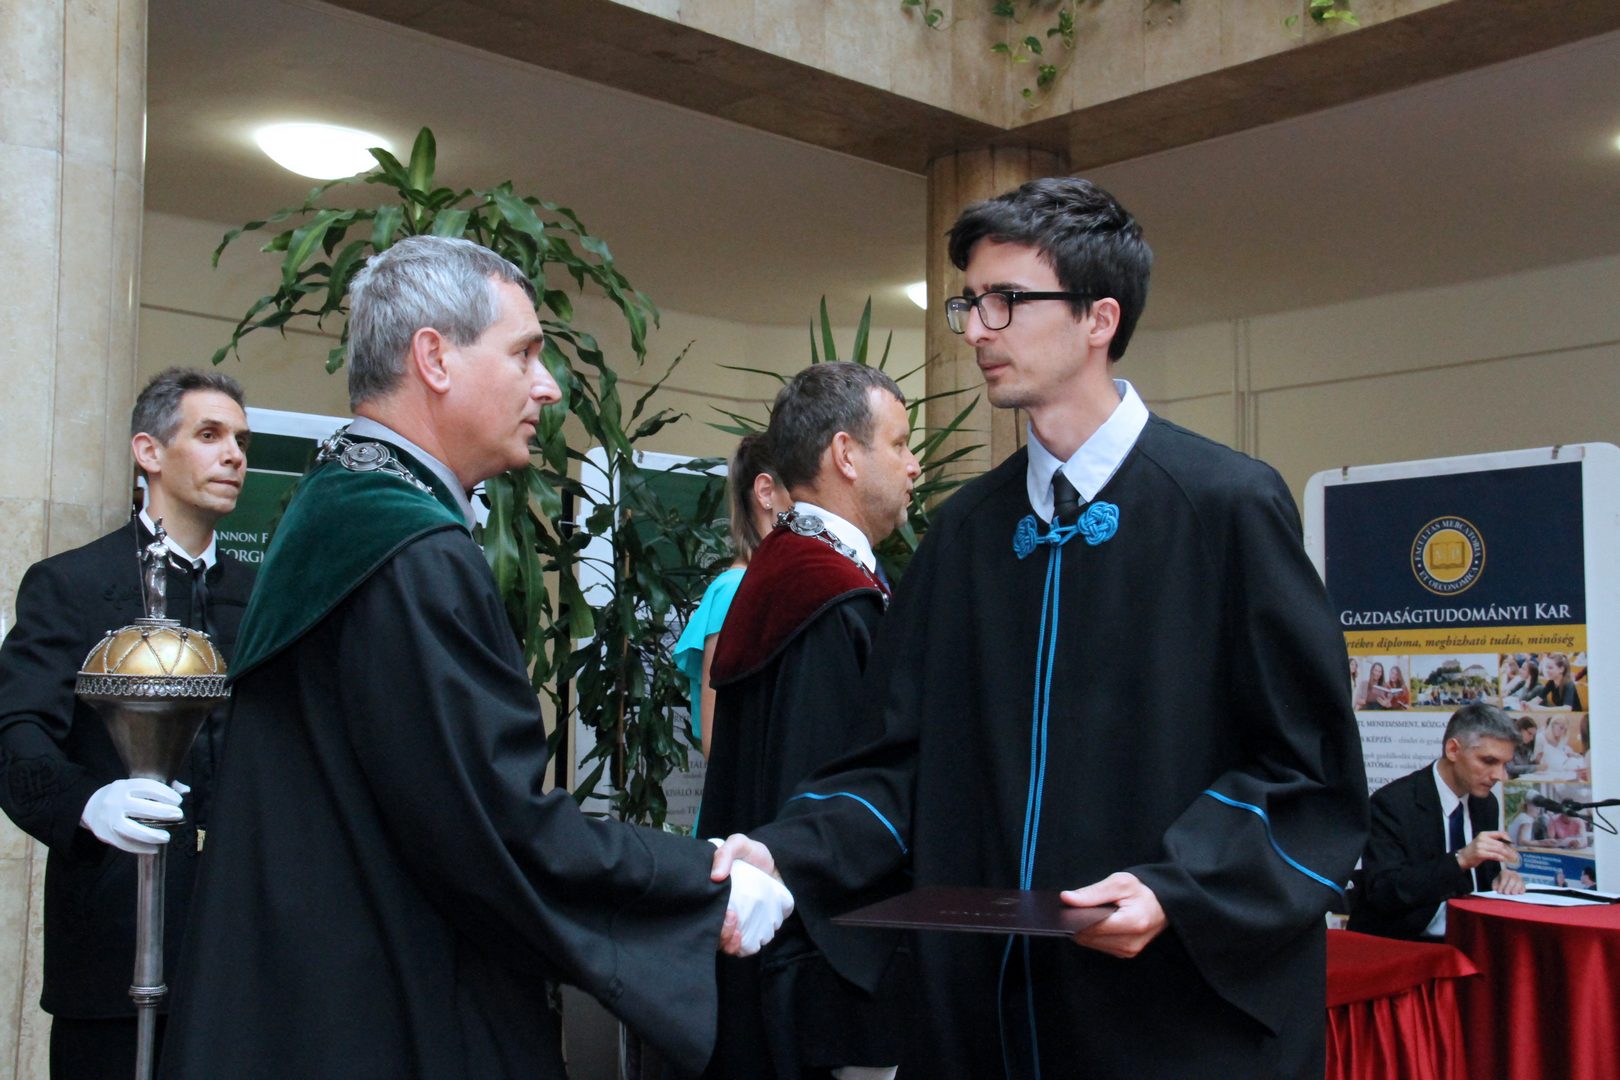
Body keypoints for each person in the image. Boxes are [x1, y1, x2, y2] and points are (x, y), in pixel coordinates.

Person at [712, 177, 1367, 1077]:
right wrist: (782, 851)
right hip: (982, 1020)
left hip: (1169, 1020)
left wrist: (1177, 888)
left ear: (1100, 318)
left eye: (1007, 300)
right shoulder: (965, 535)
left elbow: (1307, 767)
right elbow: (895, 762)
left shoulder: (1225, 507)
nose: (977, 330)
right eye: (970, 303)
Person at [156, 236, 791, 1080]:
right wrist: (703, 879)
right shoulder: (410, 548)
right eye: (523, 352)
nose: (548, 386)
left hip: (311, 1000)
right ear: (434, 359)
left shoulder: (338, 505)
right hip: (390, 1012)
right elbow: (496, 826)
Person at [0, 368, 255, 1079]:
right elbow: (16, 731)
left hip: (237, 950)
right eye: (210, 435)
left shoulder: (260, 595)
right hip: (111, 944)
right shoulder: (72, 583)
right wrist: (87, 804)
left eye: (241, 440)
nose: (234, 455)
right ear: (149, 451)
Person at [699, 362, 920, 1080]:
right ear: (845, 455)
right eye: (900, 443)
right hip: (823, 981)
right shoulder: (829, 598)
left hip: (768, 962)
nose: (914, 465)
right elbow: (829, 795)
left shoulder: (781, 571)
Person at [1350, 704, 1526, 941]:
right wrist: (1460, 860)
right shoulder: (1392, 804)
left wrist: (1502, 880)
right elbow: (1385, 891)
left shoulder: (1485, 803)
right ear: (1453, 750)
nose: (1499, 776)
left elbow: (1483, 878)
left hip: (1471, 940)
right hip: (1404, 943)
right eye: (1488, 761)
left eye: (1505, 765)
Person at [673, 433, 782, 757]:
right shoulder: (735, 590)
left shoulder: (763, 583)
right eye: (801, 491)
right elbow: (716, 740)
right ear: (766, 493)